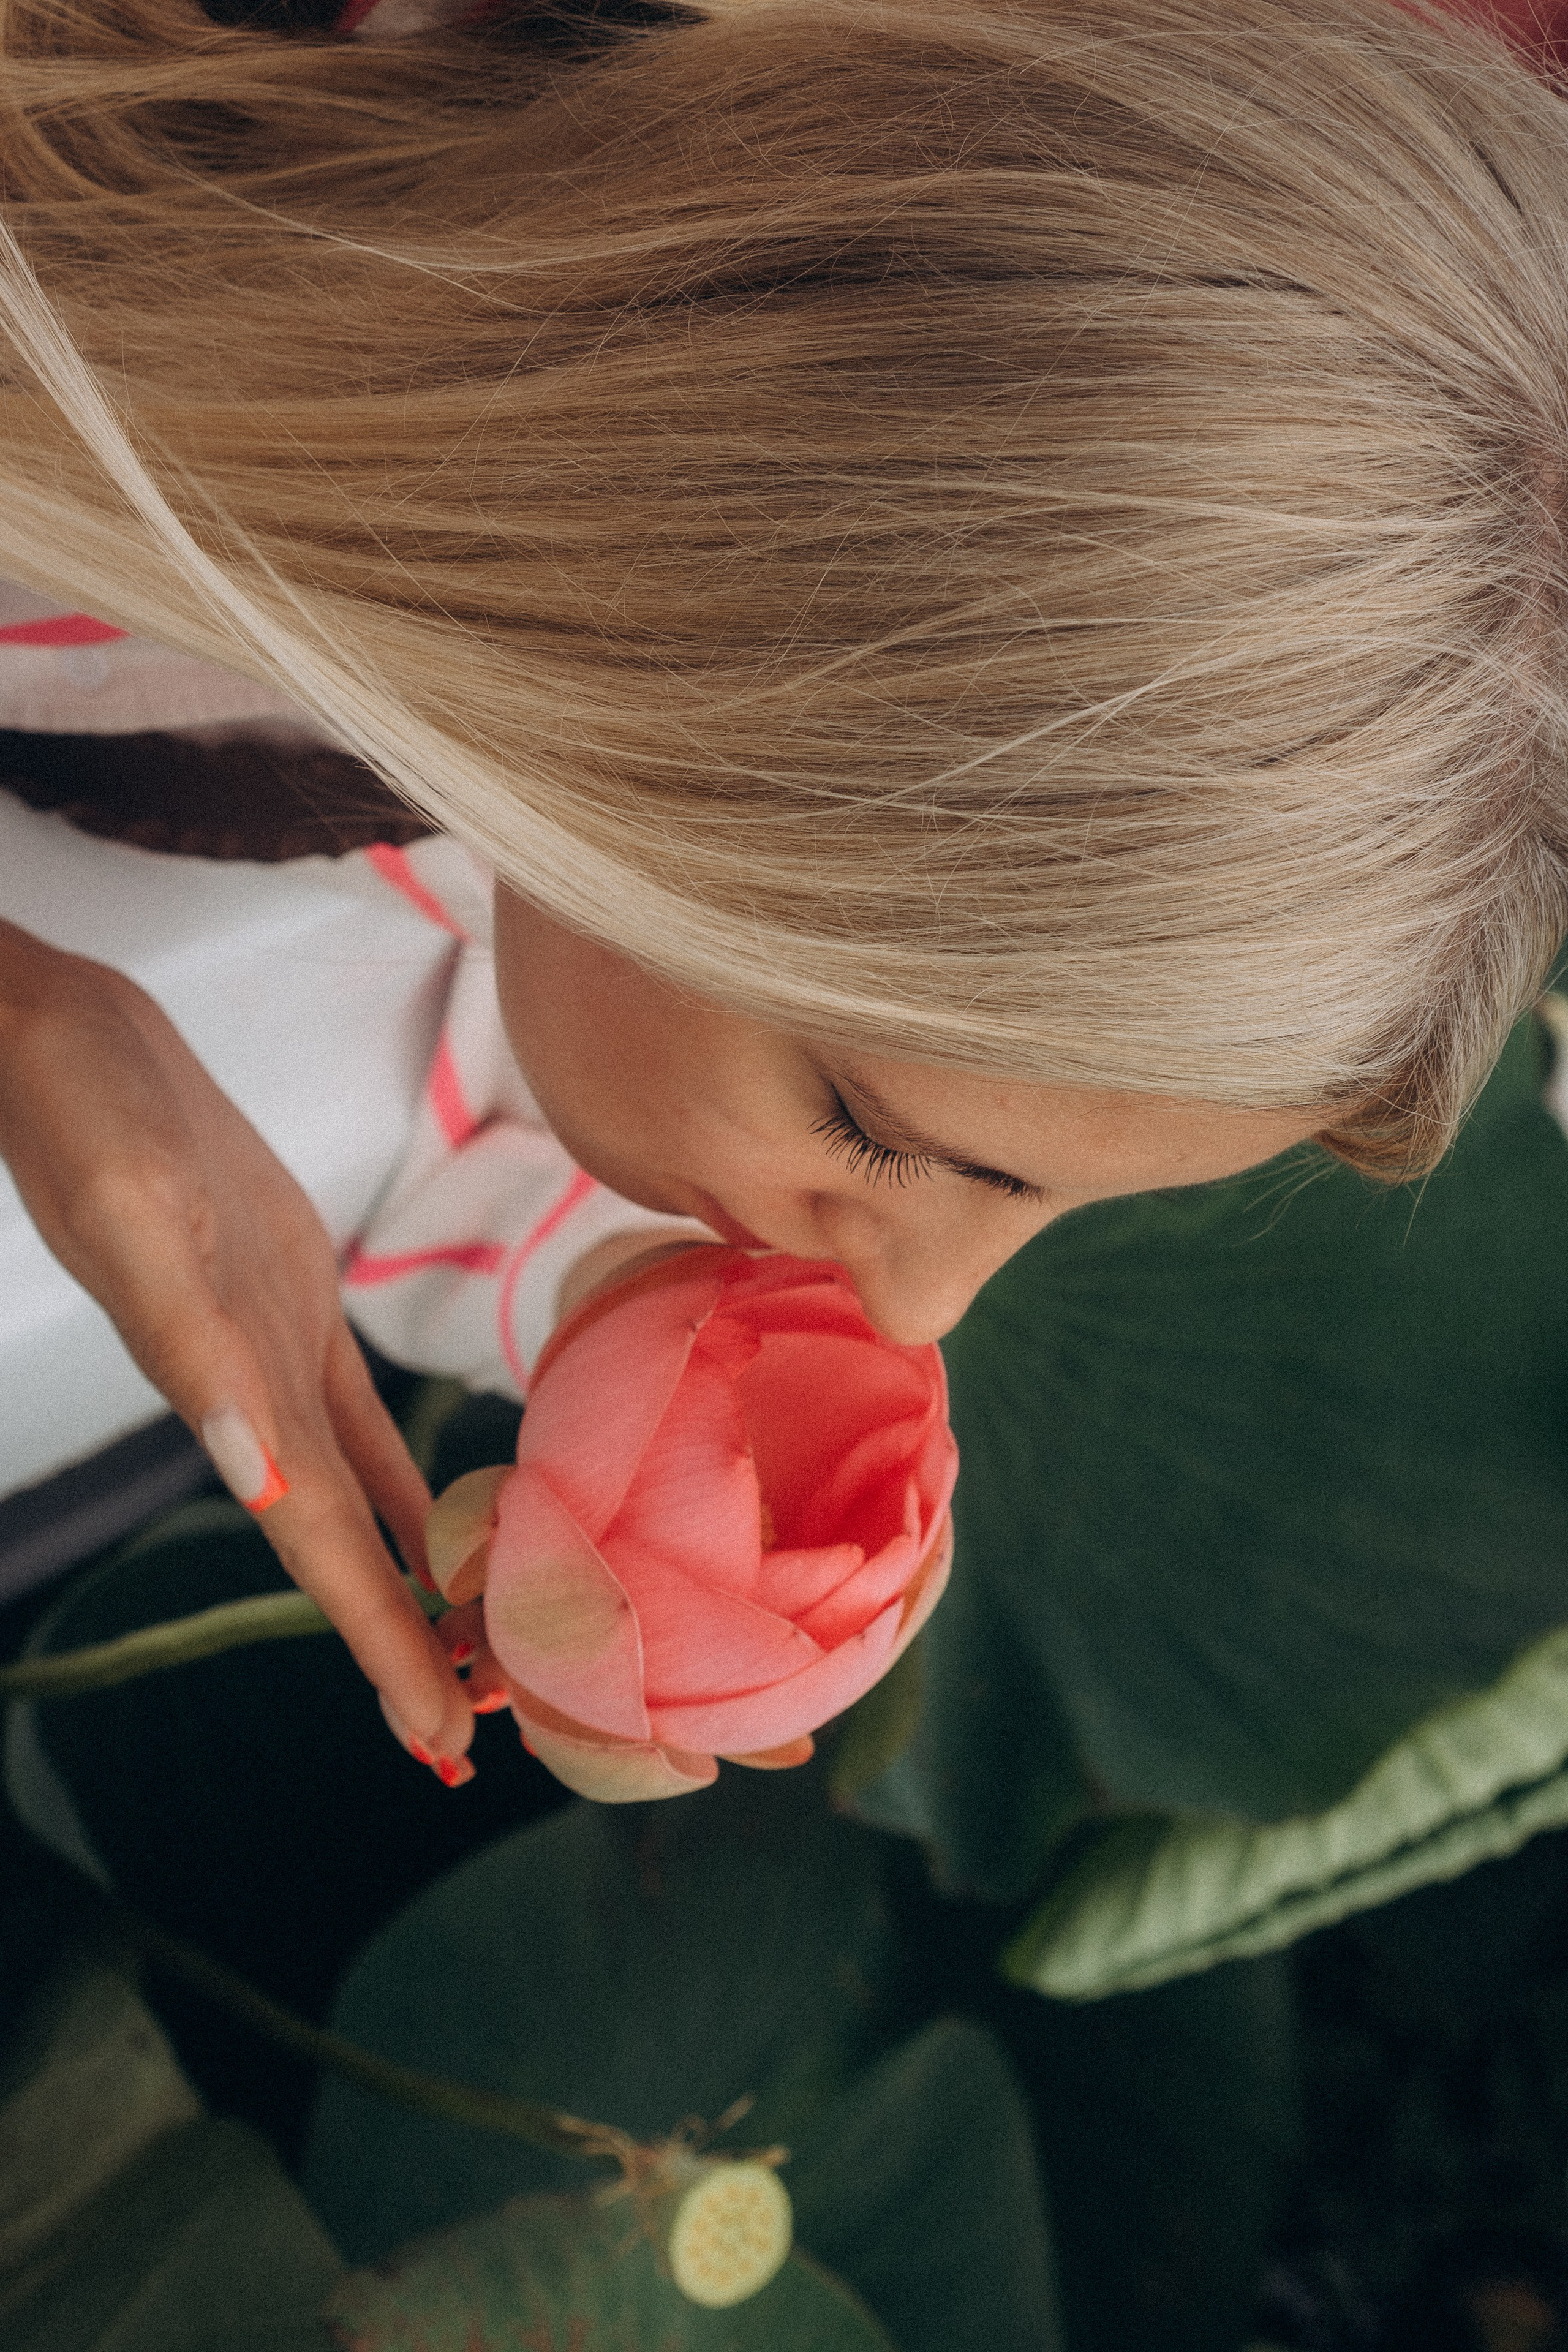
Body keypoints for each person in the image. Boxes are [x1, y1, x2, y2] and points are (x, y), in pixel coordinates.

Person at [0, 0, 1564, 1795]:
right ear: (679, 655)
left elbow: (459, 988)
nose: (918, 1322)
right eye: (867, 1122)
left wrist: (615, 1327)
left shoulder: (475, 568)